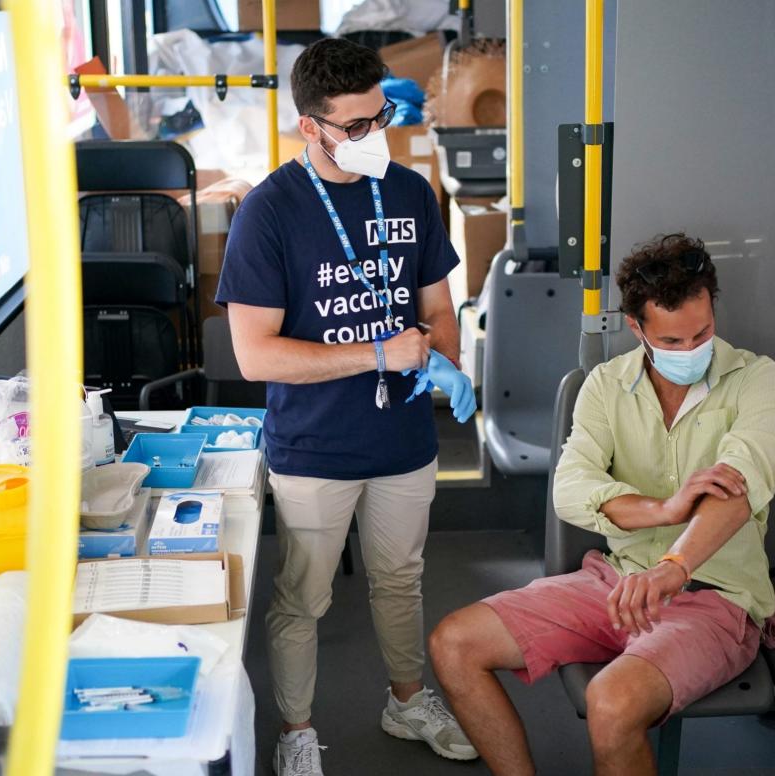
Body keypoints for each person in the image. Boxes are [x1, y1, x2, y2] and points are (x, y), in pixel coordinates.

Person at [429, 233, 775, 776]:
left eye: (702, 333)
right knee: (453, 643)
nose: (691, 350)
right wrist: (665, 509)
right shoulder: (603, 385)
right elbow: (571, 490)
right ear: (636, 328)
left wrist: (674, 566)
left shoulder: (759, 380)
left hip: (715, 601)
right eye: (671, 341)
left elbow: (738, 487)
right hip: (618, 582)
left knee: (612, 701)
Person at [215, 38, 478, 776]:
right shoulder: (268, 212)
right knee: (304, 597)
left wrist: (443, 358)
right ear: (312, 127)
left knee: (401, 579)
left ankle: (406, 700)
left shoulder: (407, 191)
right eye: (356, 126)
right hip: (316, 445)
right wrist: (378, 355)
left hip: (402, 437)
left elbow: (436, 303)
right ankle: (297, 729)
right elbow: (255, 355)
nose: (376, 135)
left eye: (381, 115)